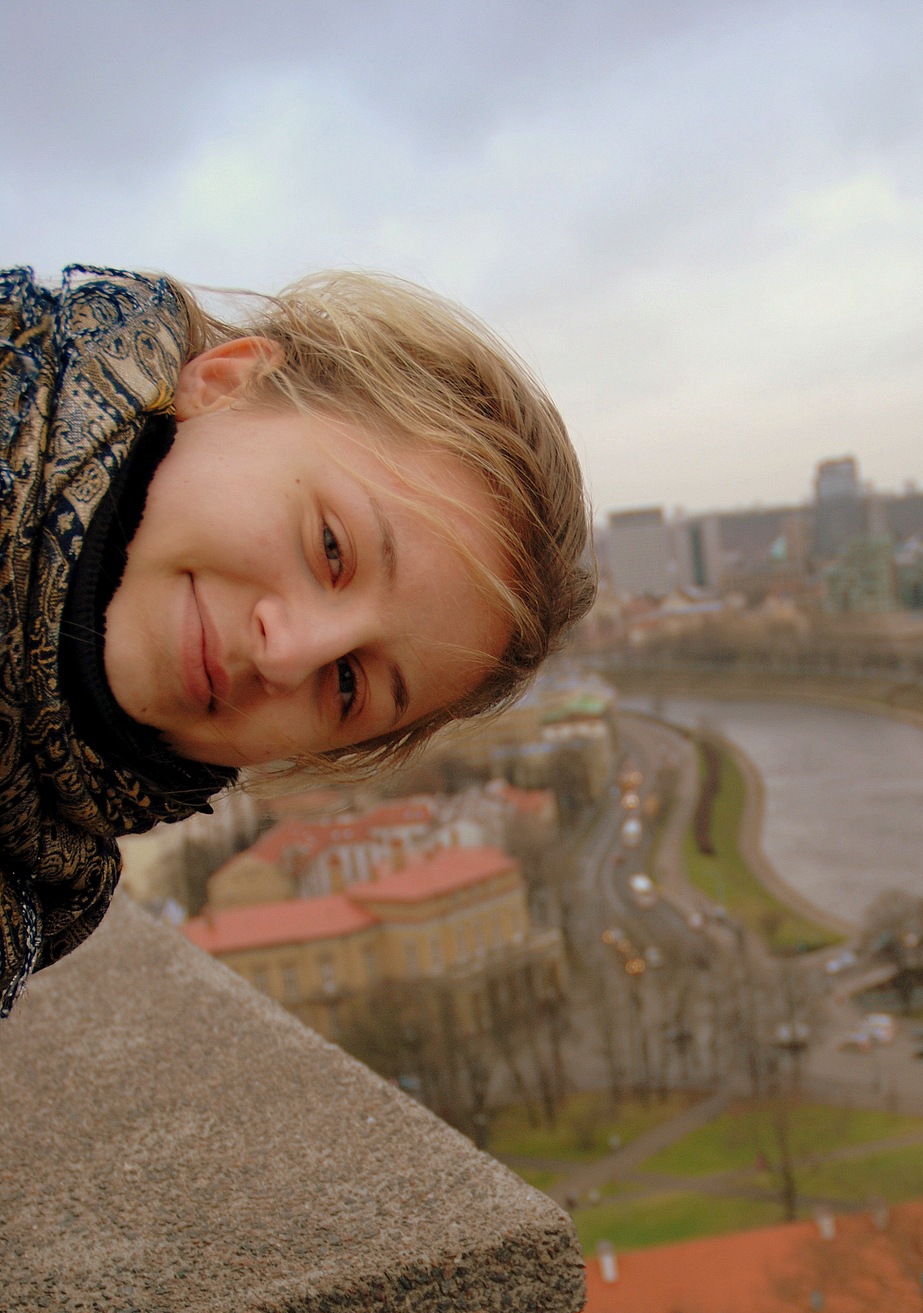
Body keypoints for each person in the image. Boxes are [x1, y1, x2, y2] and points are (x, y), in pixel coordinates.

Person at [0, 265, 594, 1017]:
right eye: (331, 548)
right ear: (228, 382)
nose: (286, 655)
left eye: (348, 684)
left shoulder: (42, 894)